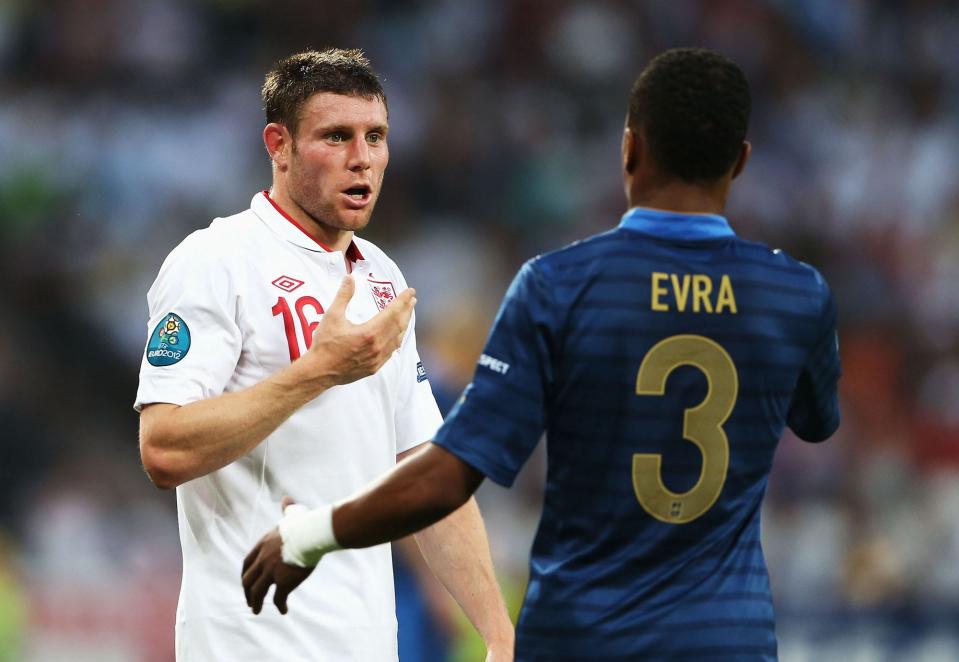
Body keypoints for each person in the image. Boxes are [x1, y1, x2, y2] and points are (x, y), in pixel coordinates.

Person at [242, 47, 842, 660]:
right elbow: (817, 422)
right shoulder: (795, 295)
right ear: (740, 162)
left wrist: (310, 535)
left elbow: (450, 475)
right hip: (728, 640)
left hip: (581, 637)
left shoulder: (561, 286)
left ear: (629, 149)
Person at [135, 48, 514, 661]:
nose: (361, 159)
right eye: (335, 137)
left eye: (376, 137)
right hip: (252, 641)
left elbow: (426, 471)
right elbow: (163, 448)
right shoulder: (217, 260)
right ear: (278, 144)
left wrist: (498, 633)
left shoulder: (382, 279)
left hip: (366, 644)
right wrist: (314, 373)